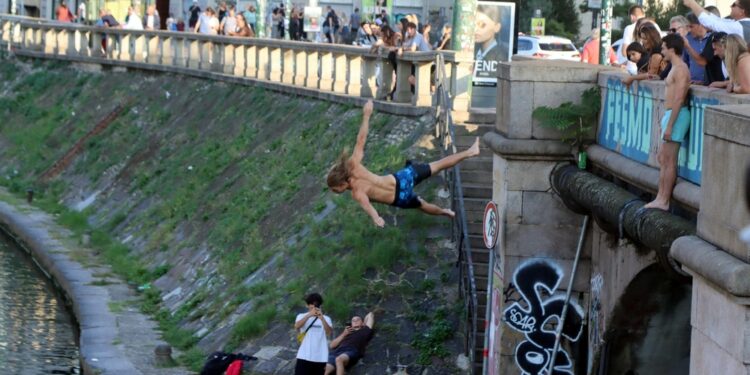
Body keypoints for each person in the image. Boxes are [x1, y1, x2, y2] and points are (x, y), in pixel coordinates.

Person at [327, 100, 480, 226]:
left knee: (422, 205)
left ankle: (445, 212)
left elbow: (368, 206)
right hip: (401, 179)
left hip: (400, 197)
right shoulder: (354, 165)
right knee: (437, 165)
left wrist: (376, 218)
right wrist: (366, 115)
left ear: (341, 184)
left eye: (335, 190)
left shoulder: (357, 193)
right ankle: (470, 152)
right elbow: (361, 140)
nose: (336, 192)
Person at [644, 34, 691, 211]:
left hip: (677, 116)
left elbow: (679, 99)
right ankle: (660, 197)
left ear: (672, 49)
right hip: (671, 115)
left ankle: (663, 200)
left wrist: (670, 124)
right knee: (663, 158)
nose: (661, 51)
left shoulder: (681, 69)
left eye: (663, 48)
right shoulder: (674, 68)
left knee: (669, 160)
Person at [295, 293, 333, 375]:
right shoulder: (301, 316)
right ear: (307, 305)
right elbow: (297, 326)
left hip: (321, 357)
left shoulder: (326, 318)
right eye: (311, 306)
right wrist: (309, 315)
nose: (314, 309)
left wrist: (322, 318)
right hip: (304, 356)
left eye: (316, 306)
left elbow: (329, 332)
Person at [683, 0, 750, 41]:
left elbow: (711, 23)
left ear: (742, 11)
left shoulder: (738, 27)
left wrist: (691, 3)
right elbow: (716, 20)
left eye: (734, 5)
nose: (731, 6)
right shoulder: (739, 24)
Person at [681, 13, 712, 84]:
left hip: (711, 85)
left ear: (701, 24)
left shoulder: (712, 39)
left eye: (691, 27)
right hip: (693, 84)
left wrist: (688, 47)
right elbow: (684, 63)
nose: (689, 30)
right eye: (687, 27)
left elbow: (704, 62)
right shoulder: (687, 39)